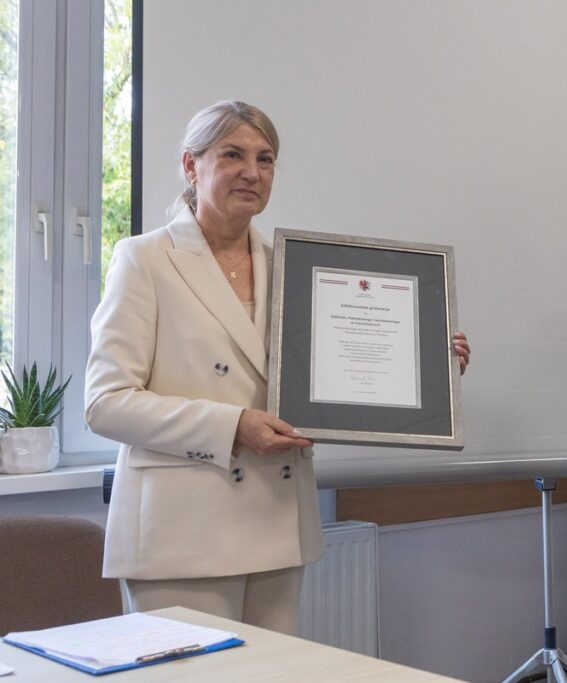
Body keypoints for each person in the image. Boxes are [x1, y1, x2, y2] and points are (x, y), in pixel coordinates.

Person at [85, 100, 471, 635]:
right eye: (233, 154)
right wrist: (232, 427)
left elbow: (330, 380)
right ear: (190, 166)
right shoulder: (144, 259)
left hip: (274, 518)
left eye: (266, 159)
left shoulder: (296, 268)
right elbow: (106, 404)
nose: (252, 172)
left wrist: (428, 364)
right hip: (180, 529)